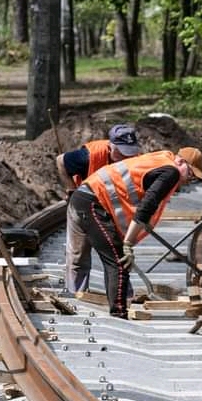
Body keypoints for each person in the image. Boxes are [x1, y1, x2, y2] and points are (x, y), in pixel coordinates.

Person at [67, 147, 202, 318]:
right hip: (91, 202)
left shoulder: (163, 160)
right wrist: (128, 243)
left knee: (107, 257)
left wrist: (127, 241)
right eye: (191, 174)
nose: (189, 180)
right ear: (181, 162)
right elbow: (146, 207)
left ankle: (79, 297)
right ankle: (119, 314)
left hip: (86, 197)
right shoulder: (172, 173)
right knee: (118, 262)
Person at [59, 124, 143, 292]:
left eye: (130, 152)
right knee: (79, 252)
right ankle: (76, 293)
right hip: (84, 205)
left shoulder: (137, 159)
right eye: (121, 152)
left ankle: (123, 293)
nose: (125, 157)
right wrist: (71, 190)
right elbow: (61, 161)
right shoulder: (90, 155)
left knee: (117, 252)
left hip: (113, 207)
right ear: (110, 145)